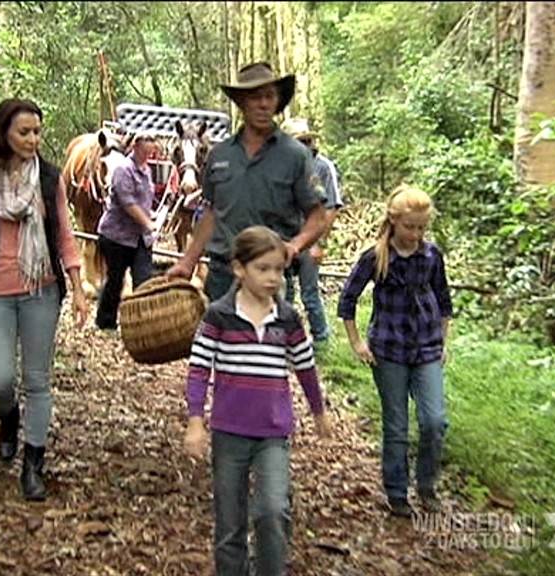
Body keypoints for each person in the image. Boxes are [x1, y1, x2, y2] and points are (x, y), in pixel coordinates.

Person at [0, 98, 89, 501]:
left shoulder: (48, 178)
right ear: (4, 133)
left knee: (38, 381)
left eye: (37, 132)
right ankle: (8, 419)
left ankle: (33, 464)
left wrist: (78, 288)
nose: (32, 139)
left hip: (41, 290)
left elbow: (64, 236)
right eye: (24, 132)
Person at [183, 225, 330, 576]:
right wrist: (195, 422)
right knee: (229, 521)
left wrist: (319, 411)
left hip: (273, 433)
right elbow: (199, 369)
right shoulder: (219, 316)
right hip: (229, 431)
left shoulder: (288, 319)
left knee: (273, 510)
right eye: (262, 269)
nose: (272, 278)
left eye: (278, 270)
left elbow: (305, 367)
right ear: (239, 269)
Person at [336, 184, 453, 518]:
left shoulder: (431, 255)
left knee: (434, 421)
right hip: (388, 349)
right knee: (397, 424)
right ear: (394, 221)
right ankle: (397, 491)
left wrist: (443, 341)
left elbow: (444, 300)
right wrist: (357, 342)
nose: (415, 234)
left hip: (427, 347)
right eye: (409, 227)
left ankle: (427, 485)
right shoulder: (375, 257)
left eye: (421, 228)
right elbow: (347, 300)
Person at [165, 62, 326, 301]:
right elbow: (211, 212)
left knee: (270, 326)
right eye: (255, 97)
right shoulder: (219, 156)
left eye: (269, 96)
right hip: (222, 274)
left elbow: (318, 215)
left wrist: (295, 245)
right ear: (241, 102)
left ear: (277, 102)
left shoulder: (295, 155)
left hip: (269, 276)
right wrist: (188, 262)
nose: (263, 104)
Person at [280, 118, 344, 349]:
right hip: (285, 238)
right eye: (300, 142)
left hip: (310, 239)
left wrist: (320, 243)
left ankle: (321, 340)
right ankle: (285, 341)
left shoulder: (323, 167)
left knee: (309, 293)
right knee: (283, 292)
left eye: (307, 141)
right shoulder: (280, 166)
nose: (305, 146)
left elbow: (331, 208)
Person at [93, 132, 159, 331]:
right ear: (137, 145)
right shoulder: (123, 169)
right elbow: (127, 202)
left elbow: (144, 201)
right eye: (148, 141)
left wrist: (153, 216)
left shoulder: (147, 171)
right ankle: (106, 322)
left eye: (153, 142)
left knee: (144, 280)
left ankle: (141, 324)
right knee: (115, 280)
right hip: (117, 237)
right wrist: (147, 222)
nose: (152, 146)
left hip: (140, 238)